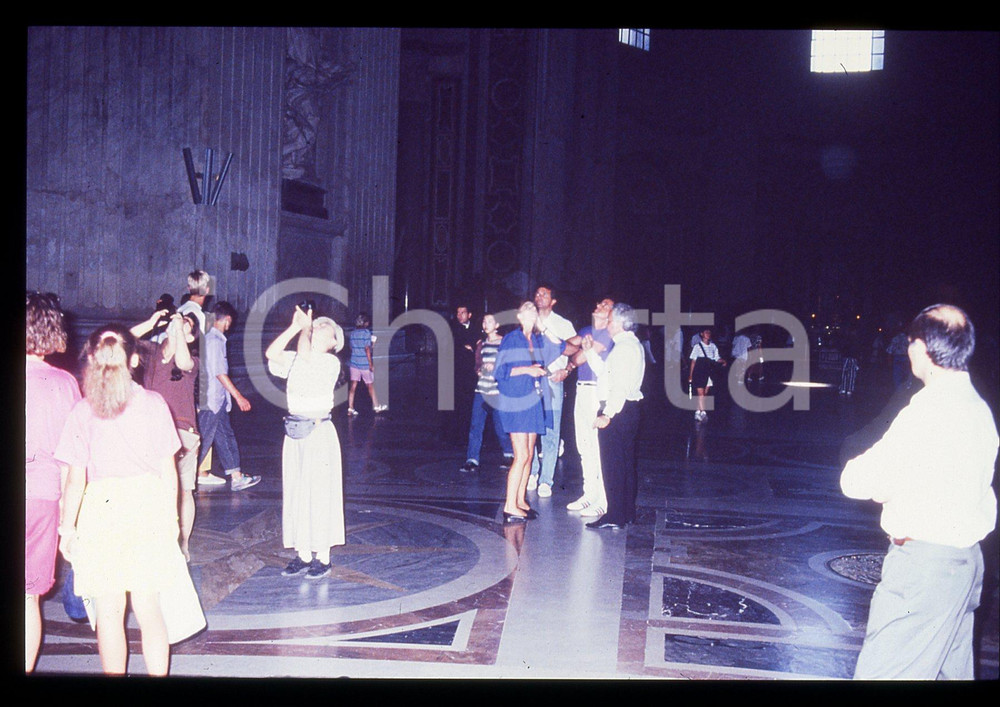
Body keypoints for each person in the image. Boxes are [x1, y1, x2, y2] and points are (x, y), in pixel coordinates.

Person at [840, 304, 997, 680]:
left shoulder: (928, 409)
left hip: (924, 571)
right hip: (965, 565)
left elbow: (858, 480)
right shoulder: (978, 408)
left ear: (920, 349)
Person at [55, 325, 205, 675]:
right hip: (147, 510)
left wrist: (67, 528)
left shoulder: (81, 410)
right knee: (149, 607)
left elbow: (75, 479)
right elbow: (169, 473)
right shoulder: (153, 404)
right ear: (135, 360)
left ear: (92, 359)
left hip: (100, 514)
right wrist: (173, 524)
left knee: (108, 614)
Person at [266, 306, 347, 579]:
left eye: (325, 327)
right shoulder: (296, 358)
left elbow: (306, 354)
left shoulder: (330, 362)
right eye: (317, 325)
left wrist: (305, 328)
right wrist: (294, 326)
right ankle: (302, 554)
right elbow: (271, 354)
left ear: (333, 342)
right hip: (295, 433)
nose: (319, 327)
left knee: (320, 494)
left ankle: (322, 557)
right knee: (297, 492)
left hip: (318, 433)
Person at [25, 292, 81, 672]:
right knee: (28, 598)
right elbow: (74, 458)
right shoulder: (64, 384)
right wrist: (71, 522)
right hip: (43, 499)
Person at [131, 309, 201, 561]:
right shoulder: (150, 353)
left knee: (184, 490)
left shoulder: (192, 360)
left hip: (183, 432)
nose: (179, 324)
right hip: (149, 431)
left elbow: (182, 362)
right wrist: (151, 323)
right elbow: (120, 341)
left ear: (191, 337)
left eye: (187, 326)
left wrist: (180, 328)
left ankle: (182, 543)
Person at [494, 300, 565, 523]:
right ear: (519, 316)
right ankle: (509, 506)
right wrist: (528, 369)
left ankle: (520, 501)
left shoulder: (536, 339)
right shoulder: (512, 339)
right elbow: (500, 371)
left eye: (534, 312)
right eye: (528, 311)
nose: (532, 314)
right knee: (521, 455)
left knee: (530, 453)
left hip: (534, 400)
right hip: (516, 400)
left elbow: (559, 345)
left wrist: (542, 327)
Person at [584, 302, 645, 530]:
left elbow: (618, 387)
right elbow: (606, 375)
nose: (607, 325)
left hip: (618, 411)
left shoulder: (624, 349)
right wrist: (590, 351)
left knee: (613, 465)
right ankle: (626, 512)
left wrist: (607, 414)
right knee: (626, 464)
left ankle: (614, 515)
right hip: (628, 410)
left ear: (619, 323)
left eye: (610, 321)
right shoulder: (630, 345)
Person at [196, 301, 260, 491]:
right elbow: (219, 373)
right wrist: (239, 396)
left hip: (217, 400)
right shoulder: (215, 341)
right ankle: (184, 478)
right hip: (211, 399)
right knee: (202, 440)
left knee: (224, 436)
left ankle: (237, 476)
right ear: (227, 320)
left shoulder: (211, 339)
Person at [564, 298, 615, 517]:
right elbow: (566, 346)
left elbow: (579, 356)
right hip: (581, 390)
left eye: (606, 305)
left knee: (597, 447)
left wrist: (573, 356)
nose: (599, 305)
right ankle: (589, 494)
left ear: (612, 315)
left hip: (597, 391)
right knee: (584, 445)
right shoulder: (587, 329)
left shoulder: (608, 333)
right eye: (600, 303)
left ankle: (604, 499)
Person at [527, 285, 577, 498]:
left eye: (544, 294)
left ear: (553, 300)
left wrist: (566, 370)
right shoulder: (528, 320)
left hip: (552, 380)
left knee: (551, 430)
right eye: (537, 294)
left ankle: (546, 479)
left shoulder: (563, 324)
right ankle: (531, 472)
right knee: (530, 429)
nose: (539, 297)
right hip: (530, 380)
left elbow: (576, 348)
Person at [461, 313, 514, 473]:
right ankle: (472, 459)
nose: (486, 323)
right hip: (482, 390)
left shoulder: (504, 342)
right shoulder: (481, 344)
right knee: (476, 425)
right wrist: (479, 370)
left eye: (489, 321)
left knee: (500, 426)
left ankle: (509, 453)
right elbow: (477, 364)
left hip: (498, 391)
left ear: (497, 325)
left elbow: (509, 363)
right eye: (484, 321)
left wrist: (495, 366)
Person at [449, 304, 479, 445]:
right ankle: (457, 435)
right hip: (457, 372)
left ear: (469, 315)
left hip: (472, 372)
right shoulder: (453, 329)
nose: (460, 315)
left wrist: (472, 348)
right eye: (458, 312)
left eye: (463, 312)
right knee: (458, 403)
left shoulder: (477, 329)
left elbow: (478, 347)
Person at [347, 312, 386, 415]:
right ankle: (377, 406)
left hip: (354, 363)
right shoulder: (366, 333)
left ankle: (350, 408)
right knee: (370, 386)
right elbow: (367, 349)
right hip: (364, 363)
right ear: (366, 323)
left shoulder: (353, 333)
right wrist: (371, 364)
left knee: (353, 386)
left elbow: (352, 348)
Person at [688, 327, 726, 422]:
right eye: (706, 332)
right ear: (701, 334)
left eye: (709, 332)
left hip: (709, 372)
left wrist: (723, 361)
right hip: (699, 371)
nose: (708, 334)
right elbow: (693, 361)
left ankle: (697, 412)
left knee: (704, 394)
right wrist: (690, 375)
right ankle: (703, 412)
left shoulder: (713, 346)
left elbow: (716, 358)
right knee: (701, 394)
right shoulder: (697, 347)